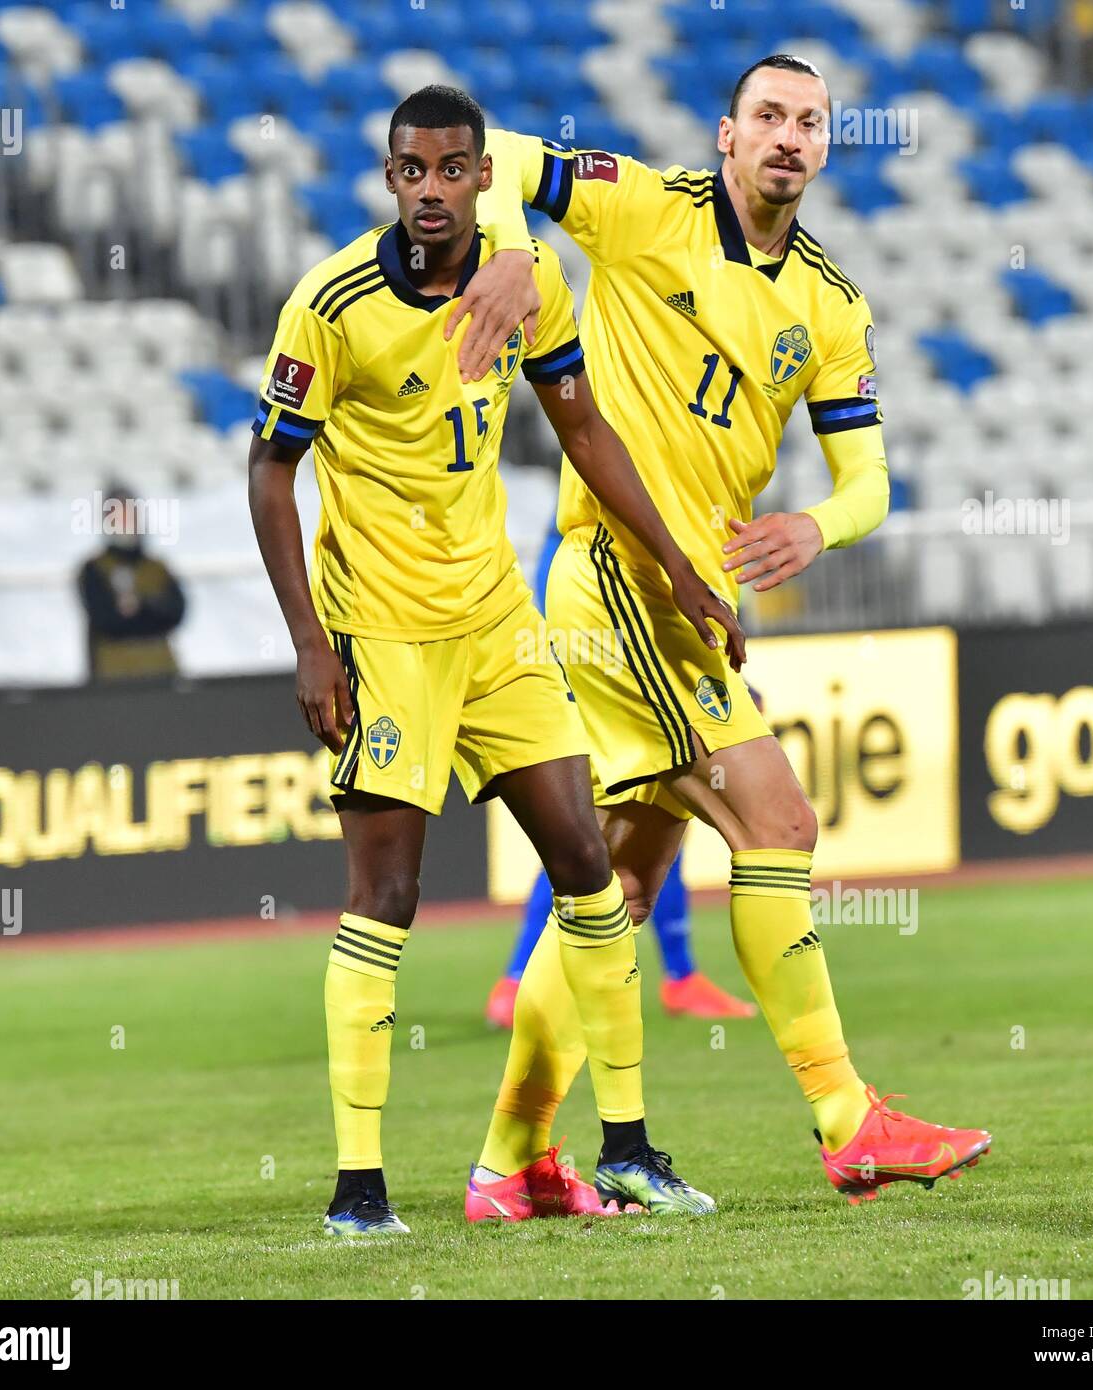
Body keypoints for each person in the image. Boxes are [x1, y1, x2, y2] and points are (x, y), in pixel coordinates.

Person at [449, 55, 992, 1204]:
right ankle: (848, 1119)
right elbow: (490, 154)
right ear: (726, 134)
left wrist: (816, 524)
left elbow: (872, 480)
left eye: (810, 122)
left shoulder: (832, 304)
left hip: (693, 604)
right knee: (777, 819)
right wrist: (507, 251)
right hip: (618, 574)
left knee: (621, 894)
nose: (788, 137)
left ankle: (508, 1160)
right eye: (768, 118)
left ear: (826, 147)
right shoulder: (646, 206)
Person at [248, 86, 743, 1235]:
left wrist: (673, 562)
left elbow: (583, 428)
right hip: (382, 632)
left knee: (589, 868)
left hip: (497, 623)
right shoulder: (330, 303)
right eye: (410, 170)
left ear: (482, 177)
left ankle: (623, 1148)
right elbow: (270, 472)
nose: (431, 188)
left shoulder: (529, 287)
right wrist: (312, 645)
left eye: (452, 168)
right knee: (390, 895)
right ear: (389, 181)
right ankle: (358, 1190)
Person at [487, 519, 756, 1027]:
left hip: (641, 660)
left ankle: (680, 977)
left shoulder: (633, 497)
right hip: (598, 672)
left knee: (655, 817)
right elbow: (566, 589)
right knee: (589, 838)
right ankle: (520, 981)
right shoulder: (582, 519)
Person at [77, 482, 185, 681]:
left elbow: (175, 612)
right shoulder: (94, 569)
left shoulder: (157, 568)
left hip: (162, 673)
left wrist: (141, 606)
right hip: (115, 678)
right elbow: (107, 619)